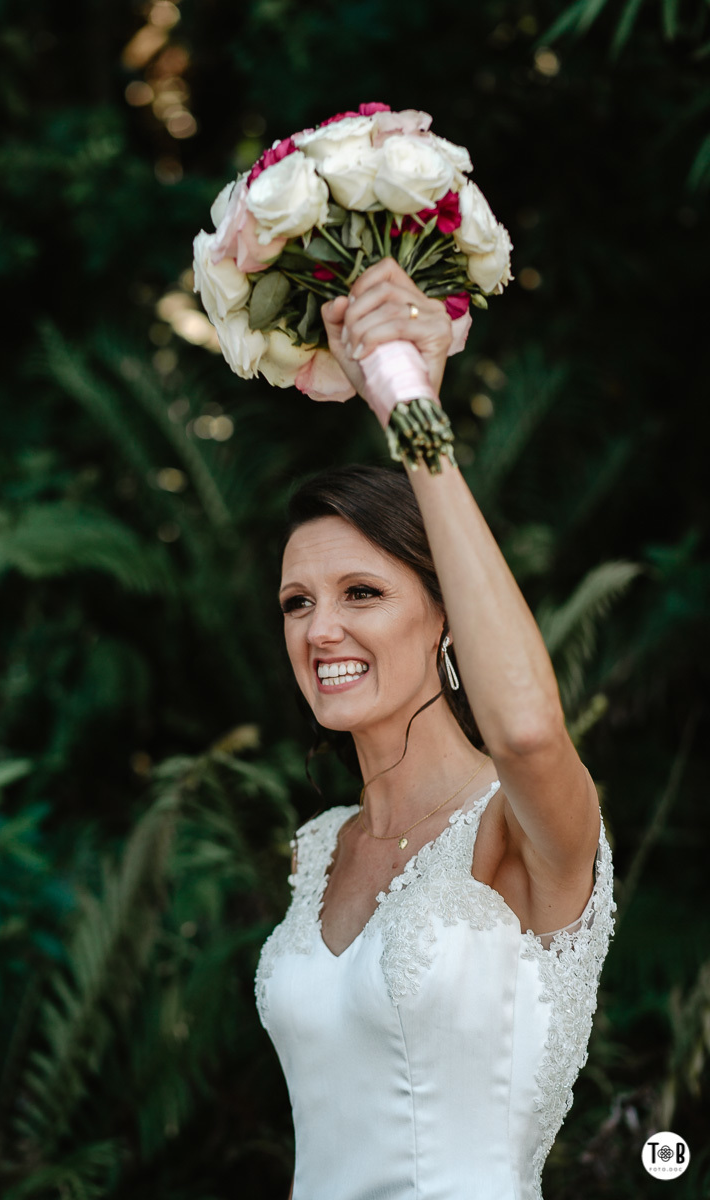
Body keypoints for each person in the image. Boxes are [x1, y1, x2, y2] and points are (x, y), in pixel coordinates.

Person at [255, 258, 616, 1200]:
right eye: (297, 602)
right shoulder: (319, 849)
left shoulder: (522, 826)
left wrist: (412, 413)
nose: (320, 628)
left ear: (448, 614)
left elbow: (532, 733)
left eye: (361, 593)